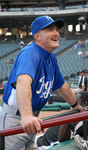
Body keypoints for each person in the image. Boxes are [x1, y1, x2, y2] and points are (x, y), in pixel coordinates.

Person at [0, 15, 83, 150]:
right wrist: (26, 116)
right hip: (16, 118)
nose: (56, 33)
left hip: (31, 118)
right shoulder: (31, 52)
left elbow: (62, 85)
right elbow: (23, 81)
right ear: (37, 36)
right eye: (50, 29)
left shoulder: (51, 57)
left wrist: (75, 105)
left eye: (56, 29)